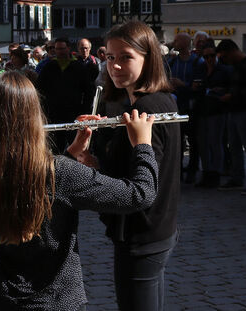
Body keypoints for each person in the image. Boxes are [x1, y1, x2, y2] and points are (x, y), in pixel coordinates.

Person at [0, 70, 160, 311]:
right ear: (34, 115)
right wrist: (143, 144)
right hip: (57, 302)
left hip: (5, 301)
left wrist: (70, 154)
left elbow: (31, 184)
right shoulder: (59, 174)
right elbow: (140, 194)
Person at [87, 20, 182, 311]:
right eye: (110, 57)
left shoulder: (146, 109)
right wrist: (96, 152)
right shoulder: (158, 101)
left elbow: (141, 184)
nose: (114, 66)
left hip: (143, 232)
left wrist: (88, 174)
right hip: (157, 229)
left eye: (126, 57)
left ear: (148, 59)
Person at [214, 39, 246, 194]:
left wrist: (232, 95)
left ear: (231, 52)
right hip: (234, 109)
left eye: (224, 57)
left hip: (244, 110)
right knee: (234, 146)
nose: (224, 60)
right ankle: (237, 178)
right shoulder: (237, 65)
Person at [37, 37, 95, 154]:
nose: (59, 52)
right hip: (53, 114)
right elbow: (39, 88)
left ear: (68, 48)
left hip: (73, 114)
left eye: (62, 48)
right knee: (55, 147)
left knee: (76, 146)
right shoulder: (49, 67)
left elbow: (89, 91)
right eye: (57, 49)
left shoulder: (78, 67)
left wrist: (84, 109)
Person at [166, 33, 206, 183]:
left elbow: (199, 87)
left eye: (177, 40)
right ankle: (178, 171)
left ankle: (192, 170)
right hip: (175, 106)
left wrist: (183, 84)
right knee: (177, 140)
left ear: (184, 42)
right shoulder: (172, 61)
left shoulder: (197, 62)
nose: (174, 42)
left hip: (191, 107)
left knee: (193, 141)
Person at [195, 44, 229, 188]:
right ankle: (207, 172)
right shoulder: (201, 69)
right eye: (206, 56)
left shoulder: (223, 70)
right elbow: (195, 86)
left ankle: (215, 173)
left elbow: (229, 88)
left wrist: (220, 91)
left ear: (216, 55)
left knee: (215, 143)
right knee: (203, 144)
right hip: (202, 110)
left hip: (217, 111)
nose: (209, 59)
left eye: (211, 56)